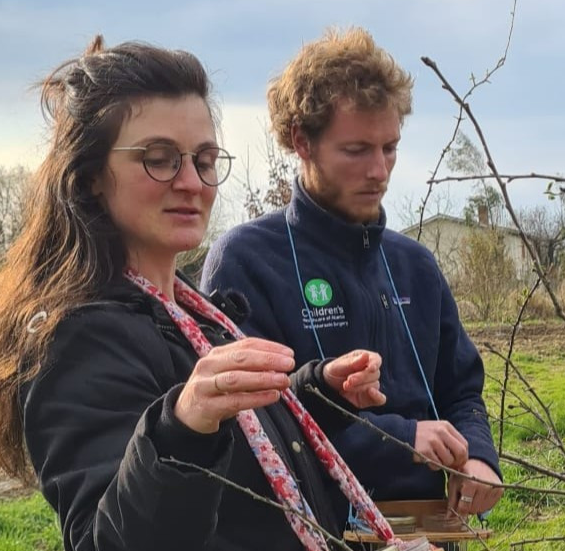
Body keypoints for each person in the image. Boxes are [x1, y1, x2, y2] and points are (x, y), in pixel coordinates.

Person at [0, 37, 408, 551]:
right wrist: (180, 427)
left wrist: (315, 390)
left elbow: (240, 459)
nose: (192, 182)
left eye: (205, 159)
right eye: (159, 158)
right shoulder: (77, 340)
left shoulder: (189, 310)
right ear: (90, 177)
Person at [201, 27, 504, 519]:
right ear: (302, 142)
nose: (379, 170)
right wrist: (403, 439)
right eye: (357, 150)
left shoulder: (416, 267)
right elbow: (256, 426)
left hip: (429, 527)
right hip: (309, 527)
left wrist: (478, 455)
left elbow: (461, 389)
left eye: (389, 148)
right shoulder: (246, 261)